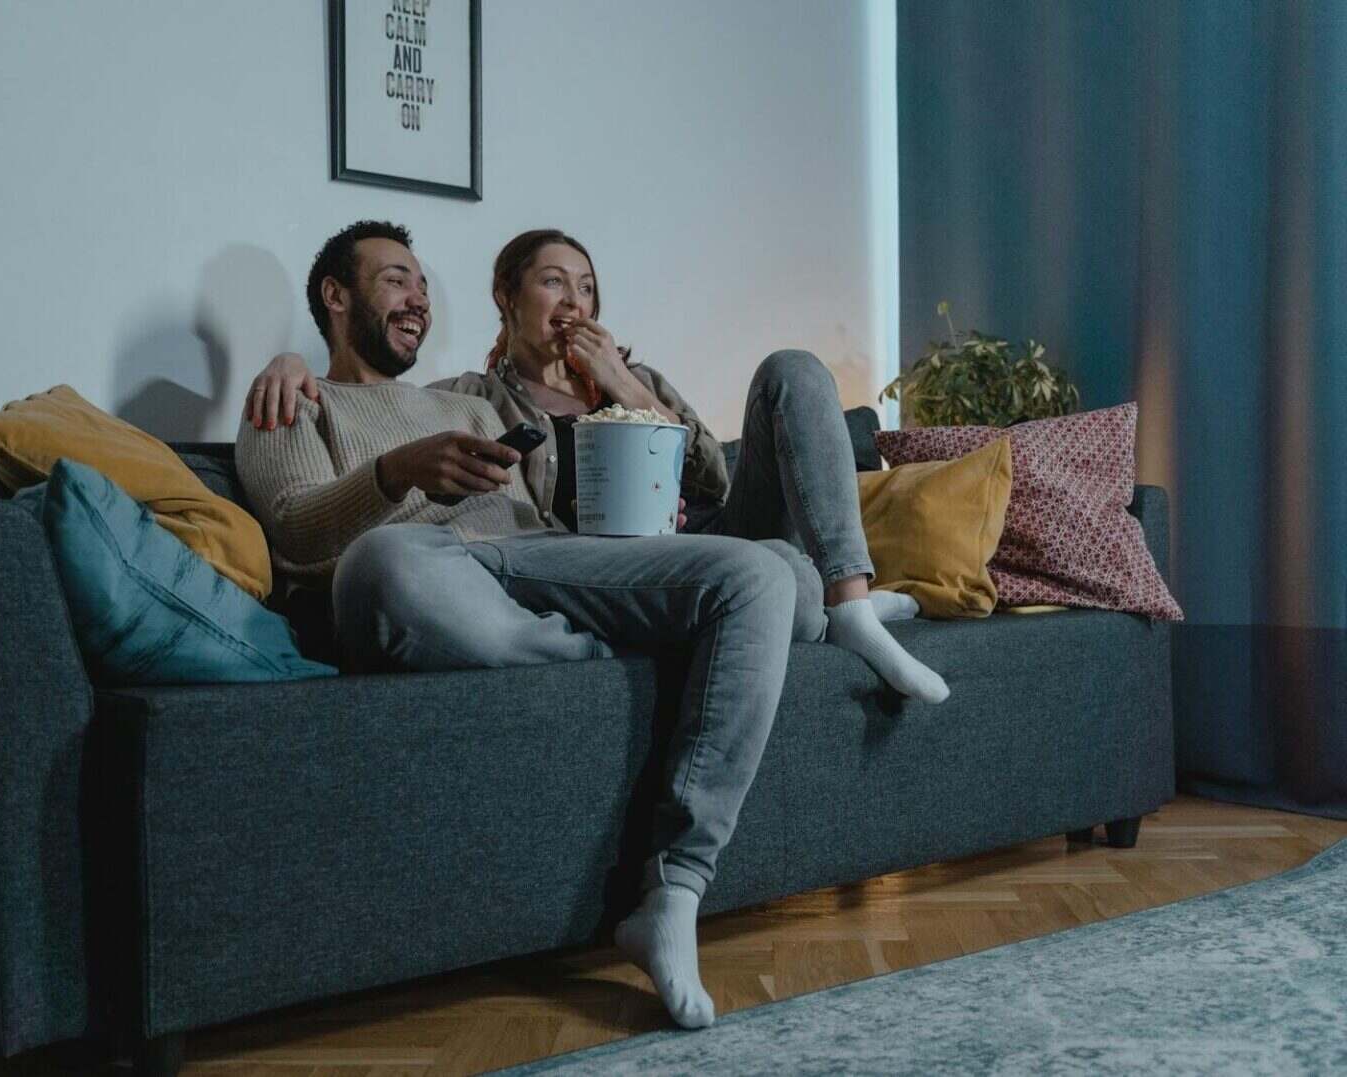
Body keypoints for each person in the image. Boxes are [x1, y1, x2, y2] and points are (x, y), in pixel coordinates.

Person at [238, 219, 834, 1030]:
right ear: (335, 298)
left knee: (763, 571)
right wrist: (394, 471)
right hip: (434, 575)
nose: (417, 298)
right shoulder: (294, 401)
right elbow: (295, 529)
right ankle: (628, 653)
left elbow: (551, 523)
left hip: (538, 565)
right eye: (394, 280)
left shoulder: (464, 402)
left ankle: (676, 883)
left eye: (421, 284)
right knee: (381, 563)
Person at [247, 228, 949, 703]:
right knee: (782, 579)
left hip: (703, 535)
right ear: (508, 297)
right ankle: (821, 608)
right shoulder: (473, 399)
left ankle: (849, 602)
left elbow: (720, 483)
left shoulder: (627, 376)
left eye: (585, 287)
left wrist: (626, 386)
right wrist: (287, 364)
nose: (575, 301)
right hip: (593, 572)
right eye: (554, 283)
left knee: (792, 373)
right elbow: (364, 454)